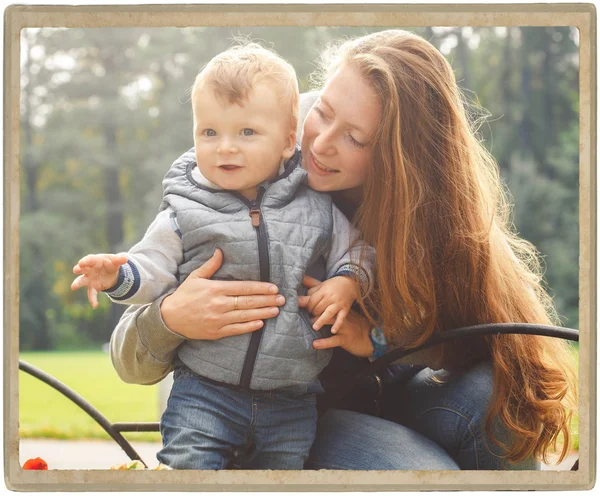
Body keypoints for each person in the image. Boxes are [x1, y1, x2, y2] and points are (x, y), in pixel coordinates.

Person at [109, 30, 578, 470]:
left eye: (355, 138)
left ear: (402, 161)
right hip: (274, 411)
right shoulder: (250, 156)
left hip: (379, 395)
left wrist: (373, 339)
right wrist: (171, 315)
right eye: (324, 111)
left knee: (498, 399)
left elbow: (462, 344)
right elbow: (128, 356)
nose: (321, 143)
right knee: (426, 475)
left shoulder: (432, 217)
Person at [71, 43, 376, 470]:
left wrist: (346, 281)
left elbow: (358, 250)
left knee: (282, 475)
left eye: (246, 133)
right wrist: (116, 275)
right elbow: (152, 266)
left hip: (292, 395)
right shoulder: (184, 208)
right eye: (209, 132)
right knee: (188, 467)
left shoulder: (316, 206)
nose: (225, 148)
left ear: (289, 141)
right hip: (206, 389)